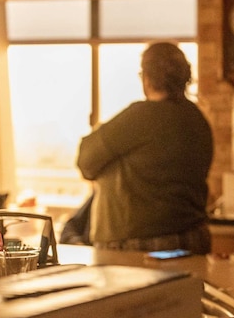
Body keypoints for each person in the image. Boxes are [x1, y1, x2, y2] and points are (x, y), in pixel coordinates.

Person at [76, 42, 214, 254]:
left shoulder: (141, 116)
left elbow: (86, 160)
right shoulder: (197, 119)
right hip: (192, 238)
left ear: (147, 78)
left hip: (139, 244)